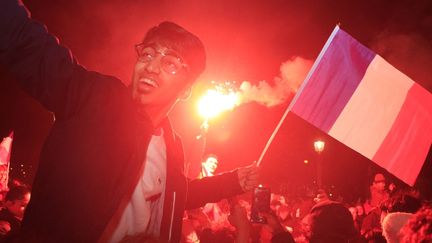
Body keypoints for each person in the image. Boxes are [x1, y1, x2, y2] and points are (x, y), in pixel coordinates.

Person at [0, 1, 259, 242]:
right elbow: (28, 44)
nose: (152, 66)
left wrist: (233, 181)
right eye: (147, 54)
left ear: (186, 90)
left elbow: (177, 196)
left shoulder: (172, 146)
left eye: (170, 63)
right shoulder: (96, 101)